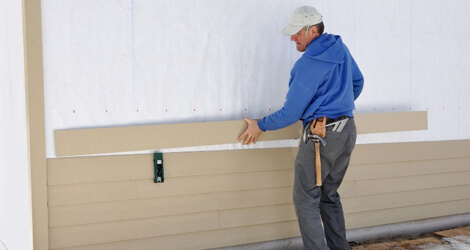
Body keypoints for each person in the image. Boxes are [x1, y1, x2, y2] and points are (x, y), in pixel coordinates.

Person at [238, 6, 364, 250]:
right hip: (347, 131)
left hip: (321, 136)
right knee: (329, 196)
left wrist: (259, 126)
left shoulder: (308, 64)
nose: (292, 38)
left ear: (313, 30)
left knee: (305, 198)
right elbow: (358, 82)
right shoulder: (341, 50)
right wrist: (339, 104)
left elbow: (291, 113)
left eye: (297, 33)